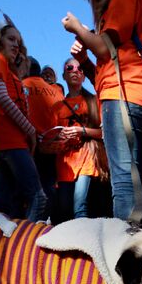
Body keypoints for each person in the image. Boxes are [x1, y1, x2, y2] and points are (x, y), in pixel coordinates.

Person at [62, 0, 142, 231]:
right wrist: (84, 60)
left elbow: (104, 47)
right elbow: (107, 67)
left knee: (124, 187)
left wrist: (78, 28)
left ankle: (126, 261)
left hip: (124, 99)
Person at [0, 16, 48, 221]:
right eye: (11, 39)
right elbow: (2, 98)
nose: (16, 46)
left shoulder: (10, 71)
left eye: (18, 42)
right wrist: (30, 130)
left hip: (12, 142)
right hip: (10, 141)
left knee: (6, 206)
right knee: (38, 198)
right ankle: (25, 249)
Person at [51, 58, 108, 223]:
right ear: (64, 75)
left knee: (79, 207)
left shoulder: (93, 101)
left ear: (84, 76)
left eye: (80, 68)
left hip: (87, 158)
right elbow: (50, 138)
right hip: (65, 163)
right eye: (70, 67)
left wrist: (81, 131)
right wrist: (59, 138)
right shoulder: (56, 108)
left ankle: (81, 246)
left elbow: (105, 133)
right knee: (64, 209)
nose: (75, 70)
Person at [23, 57, 65, 220]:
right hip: (51, 146)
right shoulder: (55, 91)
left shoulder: (22, 86)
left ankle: (28, 227)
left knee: (29, 190)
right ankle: (47, 222)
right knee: (48, 187)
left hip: (29, 144)